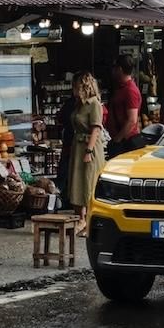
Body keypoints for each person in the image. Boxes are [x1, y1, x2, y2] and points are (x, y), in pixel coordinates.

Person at [67, 72, 106, 222]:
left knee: (88, 181)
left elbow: (96, 128)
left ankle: (89, 219)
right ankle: (80, 218)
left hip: (89, 146)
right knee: (77, 181)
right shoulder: (79, 104)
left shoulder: (94, 104)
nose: (73, 90)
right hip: (78, 146)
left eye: (75, 87)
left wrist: (89, 150)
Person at [106, 55, 142, 157]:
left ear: (120, 69)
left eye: (114, 68)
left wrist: (117, 139)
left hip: (125, 142)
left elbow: (132, 120)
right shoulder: (121, 88)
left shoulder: (130, 90)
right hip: (120, 139)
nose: (112, 71)